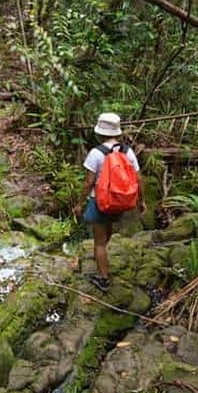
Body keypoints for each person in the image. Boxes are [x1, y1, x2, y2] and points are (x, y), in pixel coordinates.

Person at [74, 112, 145, 292]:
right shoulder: (128, 152)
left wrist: (80, 203)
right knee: (107, 232)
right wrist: (141, 201)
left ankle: (103, 279)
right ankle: (102, 258)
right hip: (120, 201)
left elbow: (89, 182)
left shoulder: (96, 153)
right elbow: (138, 179)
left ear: (99, 133)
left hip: (100, 201)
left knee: (98, 242)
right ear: (117, 132)